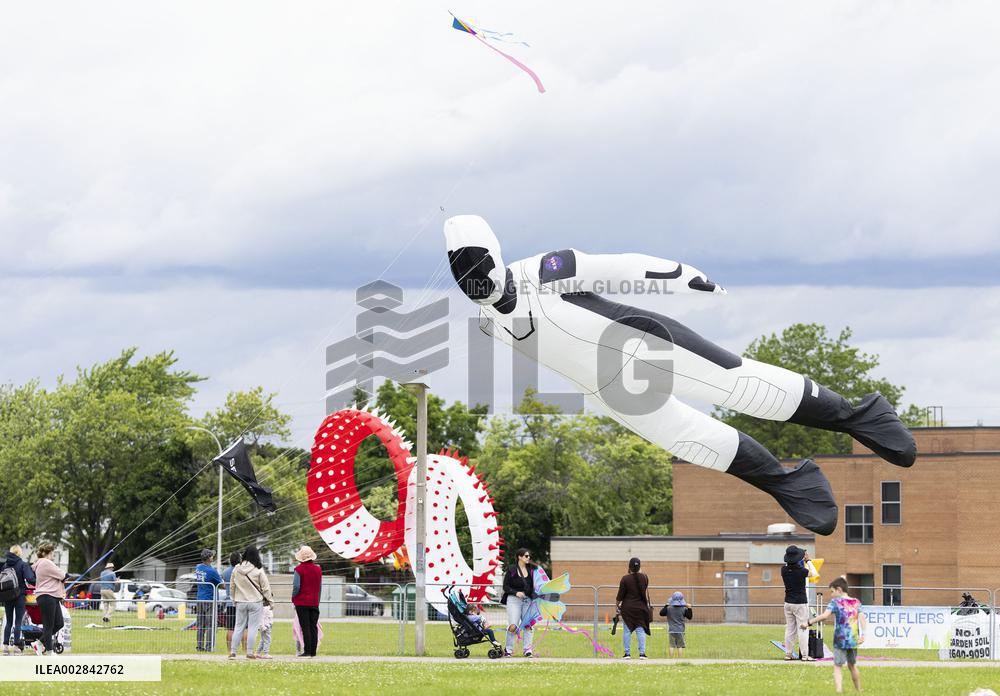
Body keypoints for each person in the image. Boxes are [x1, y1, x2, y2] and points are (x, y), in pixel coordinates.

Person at [443, 215, 917, 536]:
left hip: (643, 343)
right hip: (609, 388)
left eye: (476, 263)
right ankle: (790, 484)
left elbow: (619, 267)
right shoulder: (487, 321)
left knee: (742, 386)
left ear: (494, 255)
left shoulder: (542, 271)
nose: (473, 278)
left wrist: (682, 276)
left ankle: (860, 416)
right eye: (462, 272)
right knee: (693, 442)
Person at [804, 576, 867, 693]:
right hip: (853, 640)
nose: (831, 595)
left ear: (839, 590)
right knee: (852, 665)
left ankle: (839, 691)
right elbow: (862, 619)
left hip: (840, 640)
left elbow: (824, 616)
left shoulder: (835, 602)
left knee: (838, 666)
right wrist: (863, 635)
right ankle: (859, 689)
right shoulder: (856, 602)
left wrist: (809, 622)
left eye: (832, 591)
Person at [229, 545, 272, 659]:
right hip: (255, 601)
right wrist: (270, 601)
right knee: (253, 628)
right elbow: (266, 587)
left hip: (240, 601)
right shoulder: (258, 569)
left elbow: (232, 586)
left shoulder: (236, 569)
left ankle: (233, 652)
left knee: (238, 626)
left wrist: (233, 599)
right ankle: (249, 652)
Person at [30, 543, 66, 655]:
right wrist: (65, 577)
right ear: (48, 553)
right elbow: (62, 575)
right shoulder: (45, 562)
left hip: (52, 596)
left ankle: (38, 643)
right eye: (52, 553)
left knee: (59, 623)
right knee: (48, 626)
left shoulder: (42, 563)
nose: (53, 555)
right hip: (47, 596)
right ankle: (50, 652)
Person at [500, 548, 536, 658]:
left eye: (529, 556)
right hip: (513, 600)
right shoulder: (512, 569)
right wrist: (516, 593)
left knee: (528, 625)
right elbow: (505, 587)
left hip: (527, 600)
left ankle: (527, 650)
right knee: (513, 626)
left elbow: (536, 585)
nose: (528, 558)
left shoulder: (532, 570)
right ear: (519, 557)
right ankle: (508, 650)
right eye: (526, 556)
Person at [2, 545, 36, 655]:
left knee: (9, 622)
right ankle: (16, 647)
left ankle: (5, 647)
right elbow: (30, 579)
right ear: (19, 553)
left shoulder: (5, 565)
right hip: (19, 596)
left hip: (7, 596)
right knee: (18, 622)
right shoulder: (22, 564)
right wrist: (38, 582)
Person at [615, 557, 652, 660]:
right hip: (641, 608)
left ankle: (627, 654)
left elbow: (620, 596)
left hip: (628, 609)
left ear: (629, 567)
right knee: (640, 630)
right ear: (639, 566)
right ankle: (642, 653)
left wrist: (617, 605)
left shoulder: (625, 579)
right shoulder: (645, 577)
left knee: (627, 631)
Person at [781, 545, 813, 661]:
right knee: (803, 628)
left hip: (788, 602)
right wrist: (808, 560)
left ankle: (788, 654)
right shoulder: (802, 571)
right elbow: (813, 573)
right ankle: (804, 655)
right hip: (800, 603)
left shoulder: (783, 570)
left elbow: (789, 565)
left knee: (790, 629)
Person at [292, 545, 322, 658]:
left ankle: (307, 651)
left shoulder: (298, 569)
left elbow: (296, 586)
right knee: (313, 626)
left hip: (301, 602)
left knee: (305, 627)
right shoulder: (318, 569)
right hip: (314, 602)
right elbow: (320, 587)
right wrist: (317, 600)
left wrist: (293, 597)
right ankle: (313, 652)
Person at [194, 549, 223, 651]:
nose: (213, 557)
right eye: (211, 556)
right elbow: (222, 585)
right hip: (210, 599)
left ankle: (199, 646)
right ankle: (209, 647)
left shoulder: (198, 567)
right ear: (209, 558)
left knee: (200, 625)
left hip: (200, 599)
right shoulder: (212, 571)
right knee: (211, 624)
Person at [220, 551, 244, 652]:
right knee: (244, 628)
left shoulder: (225, 572)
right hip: (242, 602)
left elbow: (222, 584)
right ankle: (245, 650)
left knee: (230, 628)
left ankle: (229, 650)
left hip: (230, 603)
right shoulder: (243, 571)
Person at [660, 591, 693, 658]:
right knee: (680, 646)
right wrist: (689, 608)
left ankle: (671, 659)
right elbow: (690, 617)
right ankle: (679, 659)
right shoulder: (683, 609)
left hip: (671, 630)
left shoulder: (669, 608)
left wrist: (666, 605)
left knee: (671, 646)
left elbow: (661, 613)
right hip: (680, 630)